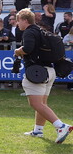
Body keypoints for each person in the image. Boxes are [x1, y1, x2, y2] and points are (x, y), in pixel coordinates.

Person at [14, 8, 72, 142]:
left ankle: (61, 126)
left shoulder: (29, 32)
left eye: (18, 21)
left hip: (36, 72)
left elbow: (27, 49)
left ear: (24, 20)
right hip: (49, 71)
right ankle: (38, 131)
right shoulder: (41, 30)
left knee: (35, 104)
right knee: (42, 103)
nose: (17, 24)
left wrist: (17, 51)